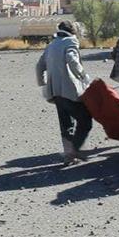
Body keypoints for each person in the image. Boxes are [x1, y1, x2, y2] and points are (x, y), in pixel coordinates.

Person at [36, 21, 93, 165]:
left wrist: (42, 83)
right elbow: (72, 60)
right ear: (72, 31)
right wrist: (84, 77)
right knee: (85, 120)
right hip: (69, 89)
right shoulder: (71, 41)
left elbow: (39, 66)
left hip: (54, 91)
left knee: (66, 123)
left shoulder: (52, 44)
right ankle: (75, 150)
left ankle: (69, 156)